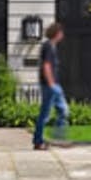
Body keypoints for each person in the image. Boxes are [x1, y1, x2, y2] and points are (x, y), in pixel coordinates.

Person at [32, 22, 70, 150]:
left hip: (54, 85)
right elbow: (46, 65)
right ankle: (38, 141)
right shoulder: (48, 46)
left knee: (63, 110)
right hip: (50, 85)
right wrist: (51, 83)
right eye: (61, 33)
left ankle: (58, 137)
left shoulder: (51, 46)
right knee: (45, 114)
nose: (63, 35)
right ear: (57, 33)